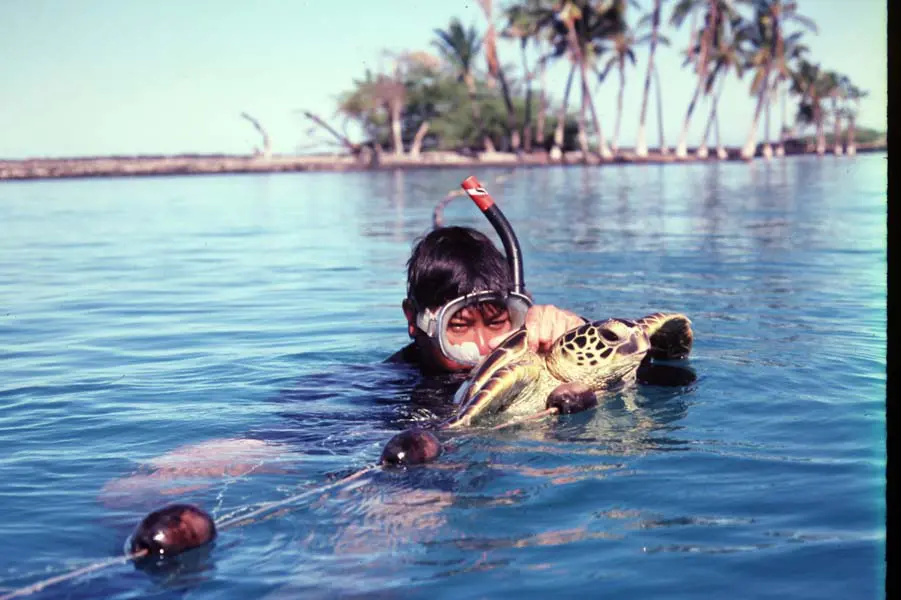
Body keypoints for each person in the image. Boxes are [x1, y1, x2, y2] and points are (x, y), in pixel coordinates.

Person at [386, 226, 585, 375]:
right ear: (413, 320)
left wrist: (573, 334)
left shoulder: (530, 359)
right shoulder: (387, 386)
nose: (483, 349)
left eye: (496, 323)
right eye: (459, 326)